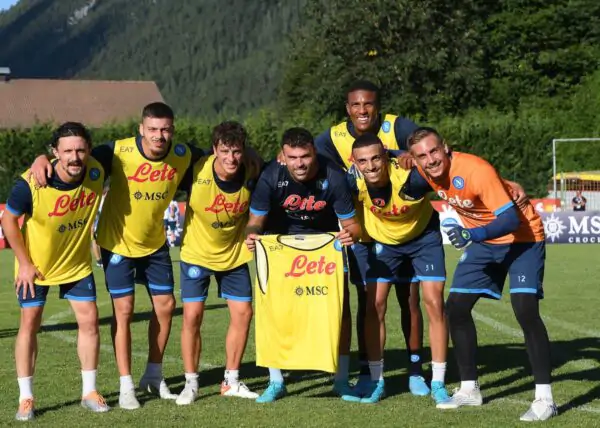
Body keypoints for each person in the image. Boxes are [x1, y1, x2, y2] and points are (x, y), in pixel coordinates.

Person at [29, 102, 202, 409]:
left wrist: (254, 158)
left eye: (165, 129)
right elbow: (74, 158)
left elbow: (221, 157)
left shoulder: (183, 154)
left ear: (173, 130)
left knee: (166, 306)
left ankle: (154, 375)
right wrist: (41, 158)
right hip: (117, 243)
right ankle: (126, 386)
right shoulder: (117, 152)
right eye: (152, 129)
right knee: (124, 310)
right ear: (141, 129)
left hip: (155, 244)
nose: (159, 135)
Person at [406, 127, 557, 421]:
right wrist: (392, 155)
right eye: (422, 156)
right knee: (456, 308)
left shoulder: (476, 170)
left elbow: (510, 220)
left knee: (525, 310)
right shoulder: (421, 169)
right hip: (485, 242)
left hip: (522, 238)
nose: (430, 159)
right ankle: (469, 390)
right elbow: (396, 161)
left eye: (434, 151)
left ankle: (545, 400)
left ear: (446, 147)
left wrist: (471, 234)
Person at [314, 80, 427, 395]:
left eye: (368, 104)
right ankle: (368, 370)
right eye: (356, 105)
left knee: (409, 299)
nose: (362, 110)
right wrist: (278, 157)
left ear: (378, 106)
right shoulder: (333, 136)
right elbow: (306, 155)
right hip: (362, 235)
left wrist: (407, 154)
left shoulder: (397, 126)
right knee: (368, 302)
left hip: (401, 232)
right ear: (347, 108)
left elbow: (431, 145)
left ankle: (416, 371)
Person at [2, 122, 110, 421]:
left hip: (76, 265)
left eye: (80, 150)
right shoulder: (31, 183)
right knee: (29, 323)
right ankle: (26, 398)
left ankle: (89, 392)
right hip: (35, 268)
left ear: (89, 149)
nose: (75, 157)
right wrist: (24, 263)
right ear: (55, 152)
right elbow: (8, 220)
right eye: (67, 151)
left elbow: (141, 149)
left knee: (90, 321)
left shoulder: (98, 168)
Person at [245, 127, 361, 403]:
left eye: (305, 156)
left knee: (340, 310)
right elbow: (255, 221)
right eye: (293, 157)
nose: (300, 163)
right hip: (281, 249)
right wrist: (252, 235)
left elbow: (353, 225)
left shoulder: (333, 176)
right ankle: (276, 381)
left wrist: (350, 235)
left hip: (324, 249)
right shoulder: (271, 176)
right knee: (274, 312)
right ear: (283, 156)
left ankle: (341, 380)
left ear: (314, 153)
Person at [345, 133, 451, 405]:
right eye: (363, 161)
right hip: (385, 242)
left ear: (385, 156)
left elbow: (452, 170)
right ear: (354, 162)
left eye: (376, 158)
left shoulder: (410, 176)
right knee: (374, 305)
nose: (370, 166)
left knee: (433, 302)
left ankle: (437, 382)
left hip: (423, 238)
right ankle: (376, 380)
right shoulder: (352, 181)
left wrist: (504, 185)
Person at [175, 121, 261, 405]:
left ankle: (231, 381)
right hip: (196, 254)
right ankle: (191, 383)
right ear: (214, 149)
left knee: (244, 313)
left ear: (244, 150)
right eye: (224, 151)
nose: (231, 158)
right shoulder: (195, 169)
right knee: (192, 316)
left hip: (234, 254)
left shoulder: (253, 169)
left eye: (236, 151)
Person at [91, 186, 109, 267]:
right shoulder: (97, 198)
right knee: (95, 240)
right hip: (97, 223)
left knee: (99, 241)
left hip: (104, 223)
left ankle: (101, 260)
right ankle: (98, 260)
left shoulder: (105, 197)